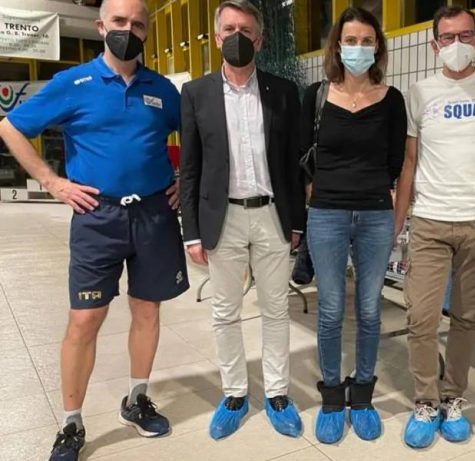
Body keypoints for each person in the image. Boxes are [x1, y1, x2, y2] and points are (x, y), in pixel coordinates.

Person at [0, 0, 188, 459]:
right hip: (97, 217)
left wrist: (186, 180)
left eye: (137, 24)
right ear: (102, 26)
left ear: (146, 33)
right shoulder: (72, 83)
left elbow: (197, 139)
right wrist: (52, 182)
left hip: (154, 215)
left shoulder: (162, 90)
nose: (128, 30)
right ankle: (71, 423)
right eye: (119, 21)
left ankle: (137, 400)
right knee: (85, 319)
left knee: (148, 311)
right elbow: (10, 128)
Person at [178, 0, 305, 440]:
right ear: (217, 38)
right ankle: (234, 393)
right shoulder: (196, 94)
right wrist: (190, 231)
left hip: (271, 214)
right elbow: (190, 168)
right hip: (222, 216)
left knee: (276, 309)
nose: (238, 37)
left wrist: (297, 222)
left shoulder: (283, 91)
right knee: (225, 312)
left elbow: (292, 164)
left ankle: (278, 393)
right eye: (229, 29)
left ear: (260, 40)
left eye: (246, 30)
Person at [395, 5, 475, 449]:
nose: (457, 44)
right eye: (447, 37)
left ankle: (452, 398)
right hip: (430, 219)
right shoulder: (420, 92)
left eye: (465, 35)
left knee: (467, 316)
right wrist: (398, 221)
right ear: (434, 45)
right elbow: (410, 160)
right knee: (421, 316)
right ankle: (425, 401)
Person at [300, 7, 406, 444]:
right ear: (337, 46)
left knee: (368, 308)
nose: (358, 48)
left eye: (366, 41)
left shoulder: (392, 99)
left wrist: (393, 213)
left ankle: (361, 395)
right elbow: (302, 157)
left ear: (377, 46)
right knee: (329, 308)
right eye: (351, 40)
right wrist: (317, 198)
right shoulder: (317, 95)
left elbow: (396, 163)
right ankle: (331, 396)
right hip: (326, 214)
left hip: (375, 215)